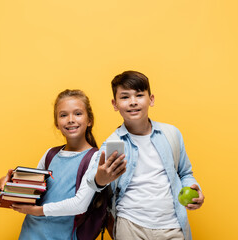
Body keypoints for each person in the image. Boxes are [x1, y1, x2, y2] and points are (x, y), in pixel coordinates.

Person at [85, 70, 205, 240]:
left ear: (151, 99)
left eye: (139, 95)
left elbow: (185, 173)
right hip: (131, 225)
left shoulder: (171, 134)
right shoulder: (113, 143)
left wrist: (194, 188)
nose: (133, 102)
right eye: (125, 97)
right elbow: (91, 180)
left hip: (171, 225)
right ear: (115, 104)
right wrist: (101, 178)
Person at [0, 89, 126, 240]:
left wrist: (36, 211)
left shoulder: (95, 157)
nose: (70, 119)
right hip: (30, 233)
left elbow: (79, 205)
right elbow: (30, 191)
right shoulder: (50, 154)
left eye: (78, 113)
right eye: (63, 115)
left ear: (89, 120)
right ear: (57, 123)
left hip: (64, 235)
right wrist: (5, 185)